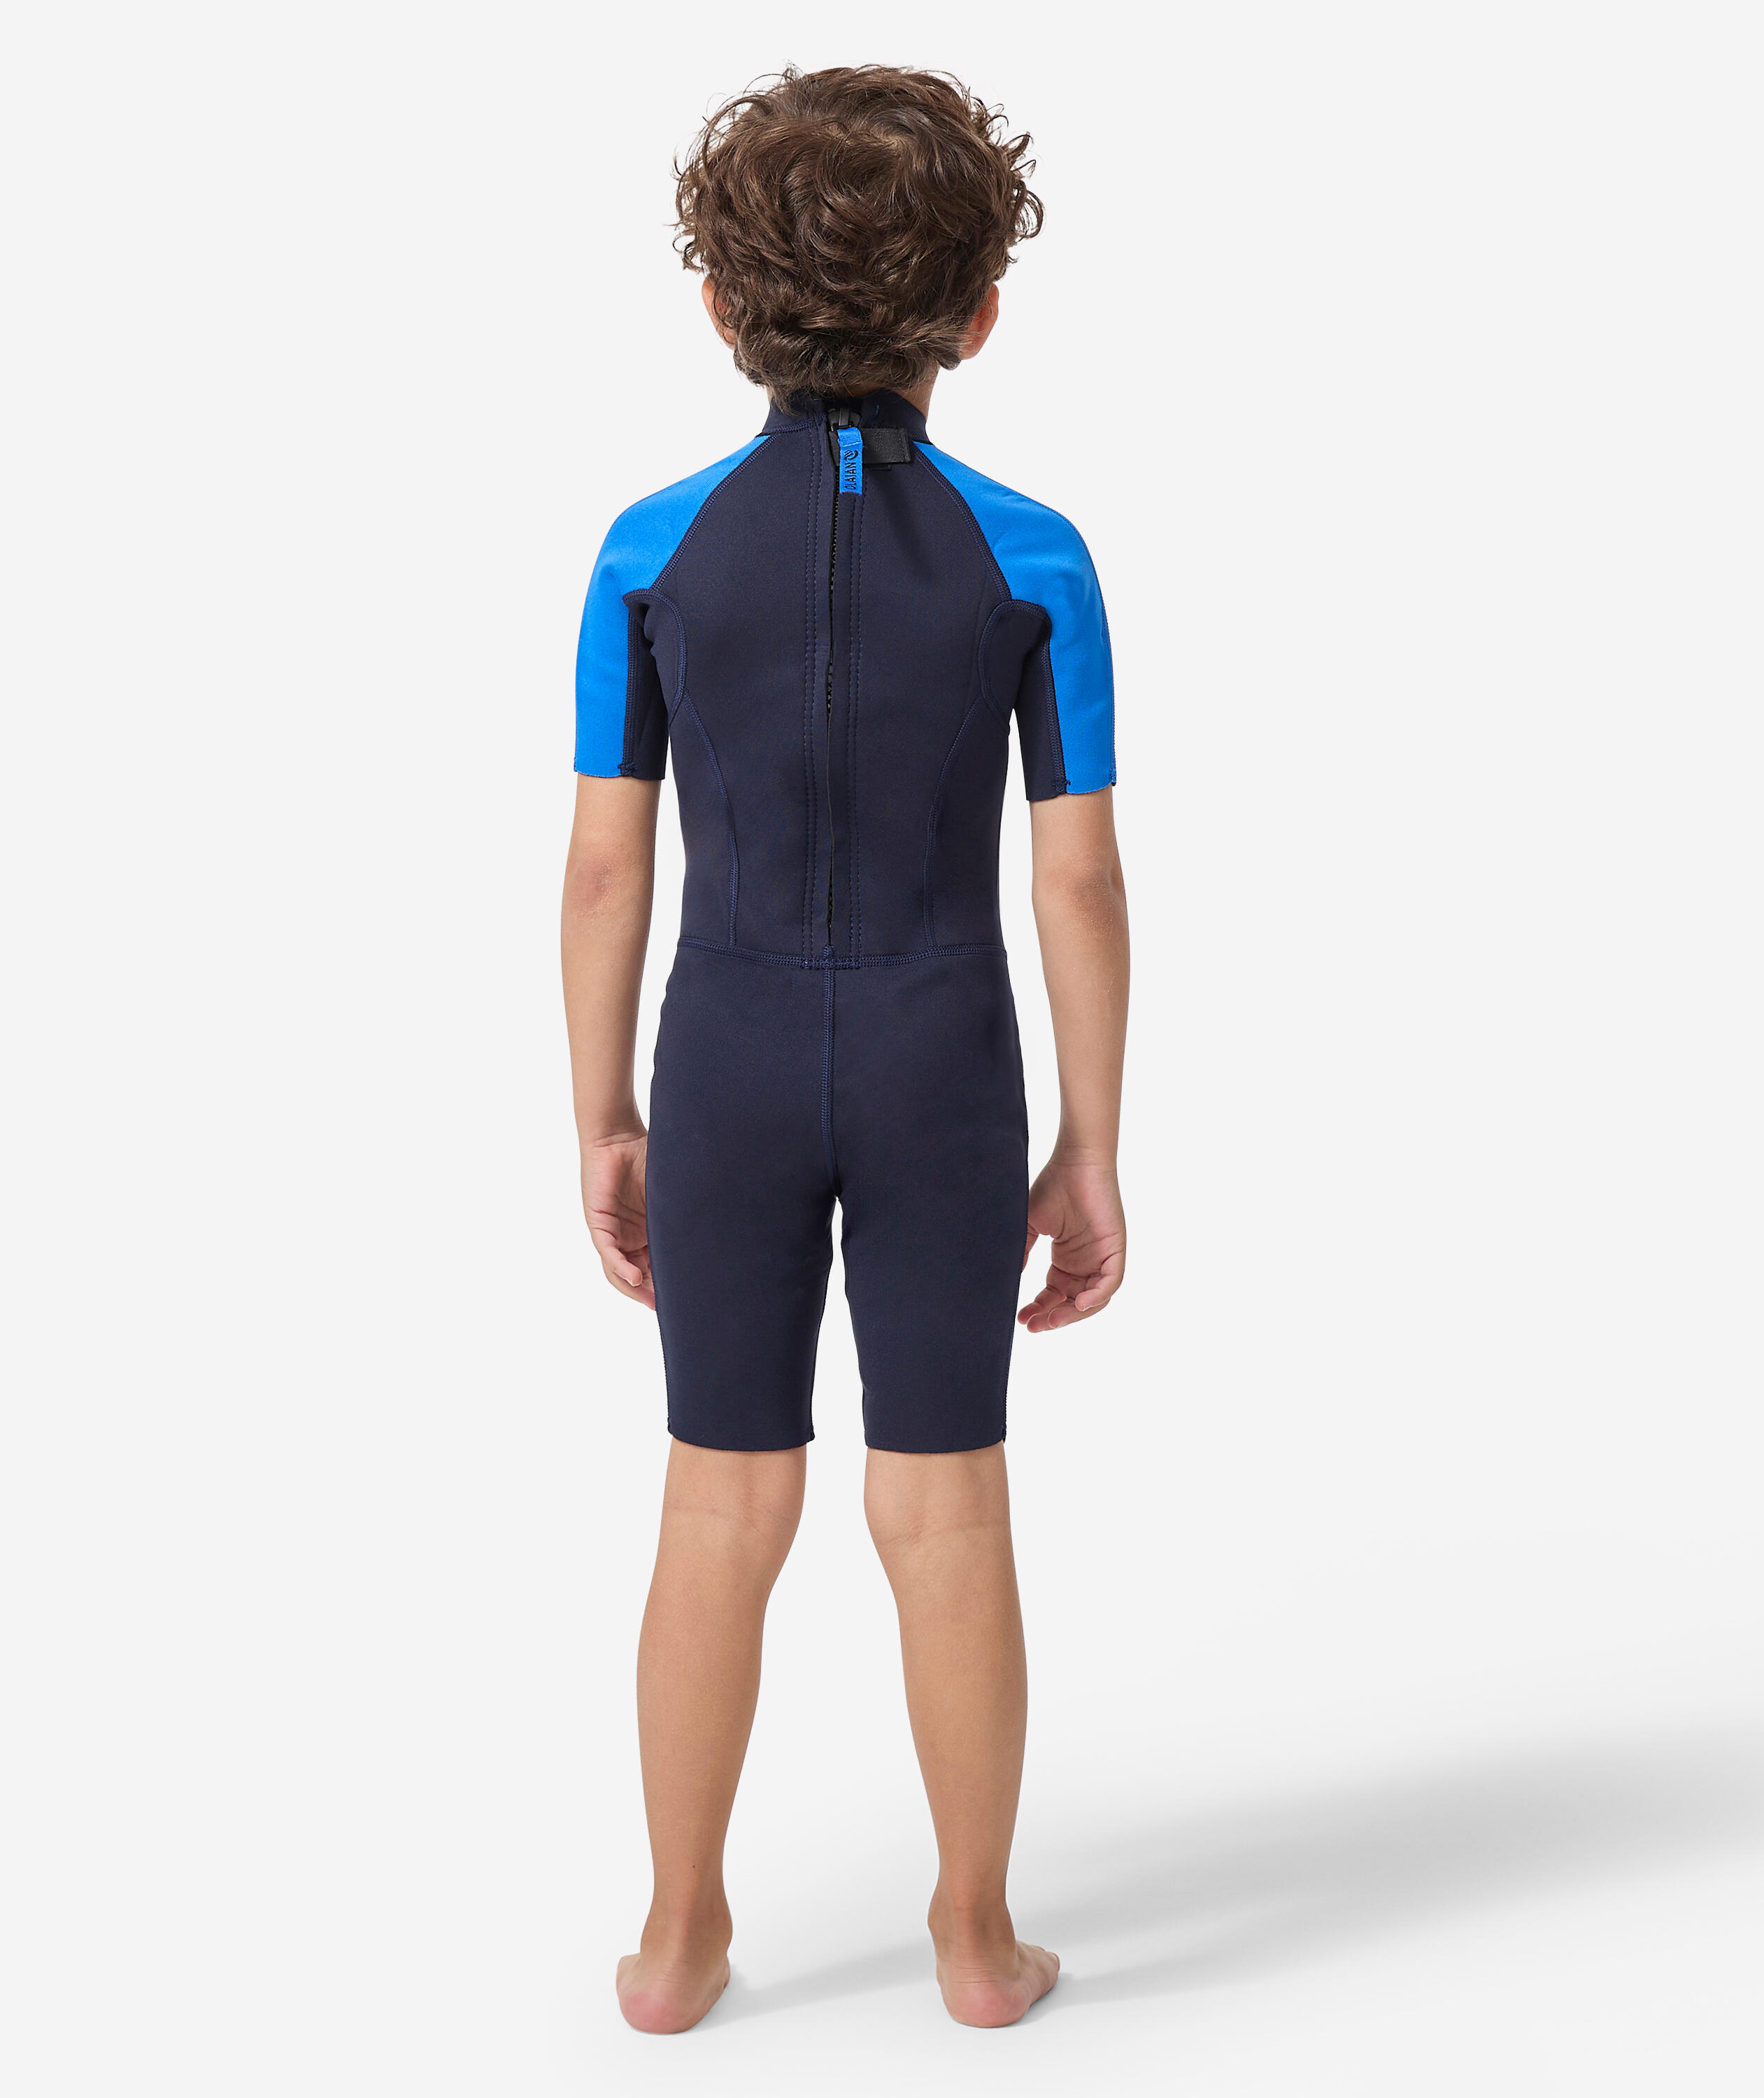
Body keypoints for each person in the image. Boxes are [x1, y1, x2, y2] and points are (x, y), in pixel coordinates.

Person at [558, 64, 1130, 2034]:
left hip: (721, 1050)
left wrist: (605, 1115)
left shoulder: (647, 552)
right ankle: (974, 1940)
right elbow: (1076, 879)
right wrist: (1090, 1143)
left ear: (723, 308)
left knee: (720, 1500)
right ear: (980, 313)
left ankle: (675, 1942)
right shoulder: (1036, 558)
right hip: (940, 1055)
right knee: (943, 1502)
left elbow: (605, 871)